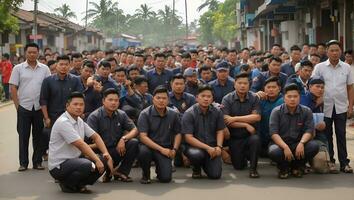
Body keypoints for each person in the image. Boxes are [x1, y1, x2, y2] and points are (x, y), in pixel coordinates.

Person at [48, 92, 114, 193]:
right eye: (75, 104)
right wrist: (96, 160)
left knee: (104, 160)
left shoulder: (79, 120)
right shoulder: (63, 122)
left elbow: (96, 136)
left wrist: (106, 154)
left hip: (74, 160)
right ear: (67, 106)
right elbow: (80, 144)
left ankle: (79, 185)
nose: (79, 107)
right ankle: (67, 184)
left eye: (81, 104)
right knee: (88, 164)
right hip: (59, 166)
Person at [312, 40, 354, 173]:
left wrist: (350, 106)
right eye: (332, 50)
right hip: (324, 106)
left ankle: (344, 163)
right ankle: (330, 161)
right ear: (327, 51)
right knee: (326, 134)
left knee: (341, 134)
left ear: (340, 52)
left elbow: (350, 88)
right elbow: (313, 85)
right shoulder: (320, 67)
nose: (335, 53)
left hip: (341, 106)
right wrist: (317, 99)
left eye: (337, 50)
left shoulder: (347, 67)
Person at [9, 43, 51, 171]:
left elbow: (48, 87)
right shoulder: (18, 68)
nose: (32, 54)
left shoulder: (44, 69)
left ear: (38, 53)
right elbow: (13, 88)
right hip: (24, 107)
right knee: (23, 136)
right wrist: (18, 107)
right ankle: (23, 163)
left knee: (38, 136)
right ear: (25, 53)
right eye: (29, 52)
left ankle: (37, 162)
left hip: (39, 108)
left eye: (34, 52)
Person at [87, 89, 139, 183]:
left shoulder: (121, 114)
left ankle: (121, 172)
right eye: (110, 100)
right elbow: (93, 140)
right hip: (100, 151)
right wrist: (105, 153)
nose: (113, 103)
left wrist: (123, 139)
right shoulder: (94, 116)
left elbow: (135, 130)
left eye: (116, 100)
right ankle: (107, 171)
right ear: (103, 101)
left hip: (116, 148)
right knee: (102, 158)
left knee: (133, 143)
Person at [268, 84, 319, 179]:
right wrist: (285, 146)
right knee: (274, 152)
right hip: (281, 144)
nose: (292, 99)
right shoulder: (276, 111)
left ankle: (296, 166)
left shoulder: (306, 111)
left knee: (314, 146)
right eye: (289, 96)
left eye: (295, 96)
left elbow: (309, 130)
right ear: (284, 98)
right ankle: (284, 168)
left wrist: (302, 143)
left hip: (298, 144)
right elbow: (273, 133)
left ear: (299, 98)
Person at [137, 86, 182, 184]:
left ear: (168, 100)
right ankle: (146, 174)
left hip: (165, 148)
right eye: (158, 98)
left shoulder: (173, 114)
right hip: (149, 147)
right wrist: (161, 149)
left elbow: (178, 133)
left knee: (166, 179)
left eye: (164, 98)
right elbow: (143, 137)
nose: (161, 100)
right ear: (153, 99)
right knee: (144, 152)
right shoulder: (144, 114)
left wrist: (174, 149)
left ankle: (160, 168)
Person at [221, 72, 261, 178]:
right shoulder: (227, 98)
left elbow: (256, 117)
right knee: (238, 166)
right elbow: (226, 120)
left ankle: (253, 169)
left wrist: (235, 118)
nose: (242, 86)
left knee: (255, 140)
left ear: (249, 85)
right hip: (235, 137)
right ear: (235, 84)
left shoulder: (254, 98)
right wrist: (246, 125)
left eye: (245, 83)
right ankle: (235, 152)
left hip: (249, 135)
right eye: (240, 83)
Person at [182, 84, 225, 179]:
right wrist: (207, 148)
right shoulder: (189, 113)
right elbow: (188, 138)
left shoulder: (217, 112)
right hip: (195, 147)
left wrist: (219, 146)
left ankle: (206, 164)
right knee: (196, 155)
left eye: (209, 96)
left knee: (215, 175)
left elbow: (220, 131)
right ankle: (196, 168)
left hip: (212, 147)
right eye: (203, 96)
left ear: (212, 98)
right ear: (197, 98)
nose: (206, 99)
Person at [259, 77, 284, 155]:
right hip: (263, 137)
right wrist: (255, 95)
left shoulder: (283, 100)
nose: (271, 90)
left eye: (274, 87)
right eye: (268, 87)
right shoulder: (261, 99)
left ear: (279, 88)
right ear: (264, 89)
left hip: (278, 137)